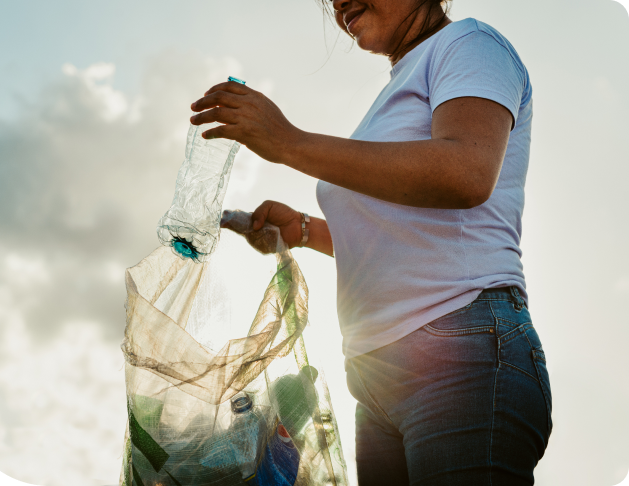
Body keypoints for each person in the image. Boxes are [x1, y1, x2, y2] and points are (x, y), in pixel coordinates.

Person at [190, 0, 552, 484]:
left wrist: (287, 142)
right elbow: (405, 235)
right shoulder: (400, 87)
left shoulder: (469, 44)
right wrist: (301, 230)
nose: (338, 3)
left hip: (462, 352)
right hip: (377, 379)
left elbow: (465, 172)